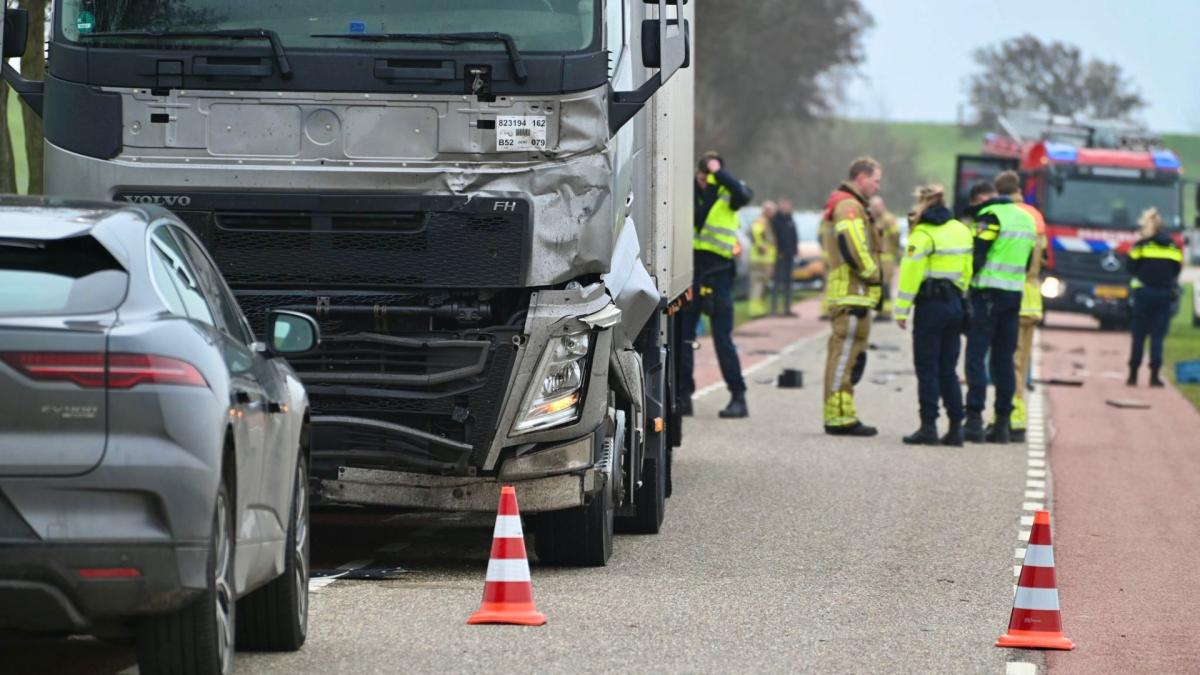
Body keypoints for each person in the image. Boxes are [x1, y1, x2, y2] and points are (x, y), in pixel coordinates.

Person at [894, 185, 974, 446]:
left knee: (927, 367)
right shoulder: (961, 230)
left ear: (922, 204)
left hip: (930, 307)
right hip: (955, 304)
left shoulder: (923, 233)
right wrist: (960, 300)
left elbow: (910, 273)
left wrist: (902, 309)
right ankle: (955, 428)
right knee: (948, 369)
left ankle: (928, 426)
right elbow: (967, 270)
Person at [679, 152, 753, 418]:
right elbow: (695, 220)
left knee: (723, 339)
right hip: (693, 271)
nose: (702, 183)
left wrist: (716, 174)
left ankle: (738, 396)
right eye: (701, 178)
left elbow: (745, 195)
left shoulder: (728, 192)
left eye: (706, 178)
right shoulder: (687, 191)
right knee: (684, 337)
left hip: (720, 273)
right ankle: (683, 396)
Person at [963, 180, 1036, 444]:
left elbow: (977, 255)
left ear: (981, 198)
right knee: (1004, 359)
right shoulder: (1026, 218)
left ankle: (973, 420)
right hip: (1012, 296)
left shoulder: (989, 216)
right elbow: (1028, 261)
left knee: (976, 357)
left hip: (987, 294)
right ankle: (1002, 424)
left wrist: (966, 286)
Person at [821, 157, 884, 436]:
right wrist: (873, 274)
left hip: (854, 294)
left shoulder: (852, 205)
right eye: (876, 180)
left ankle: (845, 413)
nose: (877, 186)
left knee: (849, 359)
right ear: (861, 177)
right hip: (851, 293)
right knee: (843, 356)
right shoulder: (849, 206)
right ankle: (837, 417)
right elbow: (853, 247)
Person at [995, 170, 1046, 443]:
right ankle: (1018, 413)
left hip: (1011, 295)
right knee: (1021, 362)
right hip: (1032, 299)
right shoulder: (1035, 216)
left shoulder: (1005, 214)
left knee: (1007, 362)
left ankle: (1010, 416)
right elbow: (1042, 256)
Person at [1126, 207, 1183, 387]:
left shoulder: (1141, 246)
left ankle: (1133, 375)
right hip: (1164, 295)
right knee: (1157, 337)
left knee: (1138, 336)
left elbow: (1130, 267)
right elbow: (1176, 270)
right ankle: (1154, 377)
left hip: (1143, 295)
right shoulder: (1172, 246)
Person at [870, 196, 903, 322]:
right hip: (877, 259)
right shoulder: (875, 220)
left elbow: (896, 236)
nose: (874, 209)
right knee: (879, 287)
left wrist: (895, 251)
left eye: (876, 206)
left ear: (881, 206)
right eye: (873, 207)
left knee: (886, 286)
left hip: (886, 260)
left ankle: (887, 313)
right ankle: (881, 311)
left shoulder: (888, 219)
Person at [770, 199, 799, 316]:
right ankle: (774, 309)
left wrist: (795, 249)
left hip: (790, 255)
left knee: (788, 283)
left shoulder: (790, 219)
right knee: (777, 283)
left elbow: (794, 236)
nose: (786, 208)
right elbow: (774, 238)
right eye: (784, 206)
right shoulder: (775, 221)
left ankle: (787, 308)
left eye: (788, 206)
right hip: (779, 256)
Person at [749, 201, 778, 318]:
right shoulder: (761, 220)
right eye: (772, 211)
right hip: (761, 259)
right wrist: (762, 247)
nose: (773, 214)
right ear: (766, 210)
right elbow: (757, 235)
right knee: (758, 285)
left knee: (763, 286)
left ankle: (760, 308)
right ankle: (755, 309)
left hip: (766, 259)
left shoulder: (766, 221)